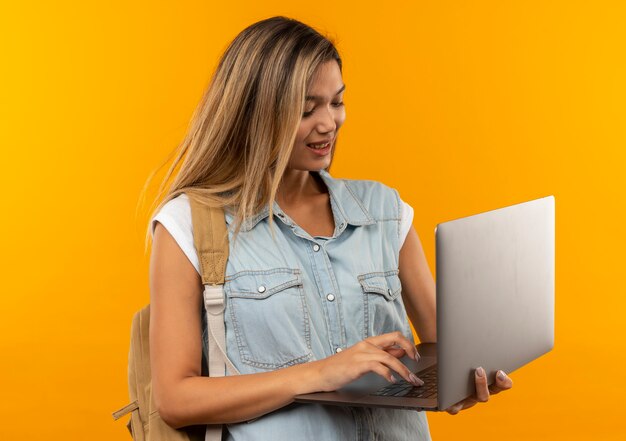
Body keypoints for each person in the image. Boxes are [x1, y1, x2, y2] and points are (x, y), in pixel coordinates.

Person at [143, 16, 513, 441]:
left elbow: (442, 347)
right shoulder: (189, 224)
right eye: (306, 110)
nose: (328, 124)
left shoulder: (384, 211)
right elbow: (176, 398)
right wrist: (320, 372)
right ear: (253, 113)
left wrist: (464, 381)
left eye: (336, 102)